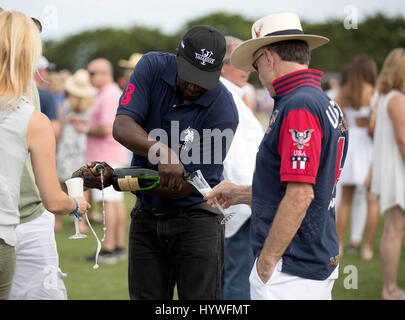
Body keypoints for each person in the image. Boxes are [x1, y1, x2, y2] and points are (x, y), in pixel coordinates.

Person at [205, 12, 349, 300]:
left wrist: (268, 260)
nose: (257, 74)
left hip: (291, 265)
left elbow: (300, 195)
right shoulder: (317, 99)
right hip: (307, 255)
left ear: (269, 58)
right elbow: (300, 186)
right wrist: (241, 193)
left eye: (257, 64)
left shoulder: (299, 105)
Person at [89, 26, 238, 300]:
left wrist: (114, 178)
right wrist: (161, 151)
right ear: (177, 56)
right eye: (190, 75)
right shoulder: (152, 65)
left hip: (197, 220)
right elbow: (122, 125)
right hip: (146, 217)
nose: (194, 86)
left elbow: (180, 187)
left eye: (203, 79)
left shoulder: (223, 109)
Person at [0, 10, 90, 300]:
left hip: (30, 215)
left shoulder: (31, 99)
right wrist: (74, 203)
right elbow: (54, 199)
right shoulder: (31, 117)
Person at [70, 58, 128, 264]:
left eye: (92, 73)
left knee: (109, 204)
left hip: (106, 158)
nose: (90, 76)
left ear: (104, 73)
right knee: (114, 203)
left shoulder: (109, 94)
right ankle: (117, 245)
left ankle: (110, 247)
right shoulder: (107, 93)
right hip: (110, 156)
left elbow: (106, 128)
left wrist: (84, 128)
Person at [220, 35, 264, 300]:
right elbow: (233, 157)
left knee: (232, 275)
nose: (247, 69)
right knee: (239, 278)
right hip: (242, 204)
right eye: (239, 62)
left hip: (241, 200)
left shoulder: (230, 96)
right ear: (223, 64)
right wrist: (250, 199)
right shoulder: (228, 99)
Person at [334, 56, 380, 260]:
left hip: (350, 144)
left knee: (345, 199)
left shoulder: (345, 91)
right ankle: (367, 247)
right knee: (372, 199)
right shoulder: (374, 92)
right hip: (369, 147)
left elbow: (335, 114)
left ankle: (339, 244)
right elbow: (374, 126)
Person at [371, 48, 405, 300]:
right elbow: (403, 140)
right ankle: (390, 289)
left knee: (393, 229)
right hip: (397, 172)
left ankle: (390, 287)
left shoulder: (385, 97)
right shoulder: (397, 99)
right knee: (395, 229)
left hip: (391, 170)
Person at [55, 69, 96, 233]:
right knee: (82, 186)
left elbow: (60, 127)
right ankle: (81, 223)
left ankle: (57, 221)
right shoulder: (92, 105)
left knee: (61, 184)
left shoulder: (64, 105)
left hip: (67, 147)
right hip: (82, 148)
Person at [34, 56, 61, 141]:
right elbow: (55, 129)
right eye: (46, 70)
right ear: (40, 72)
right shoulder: (47, 96)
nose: (47, 73)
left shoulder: (17, 93)